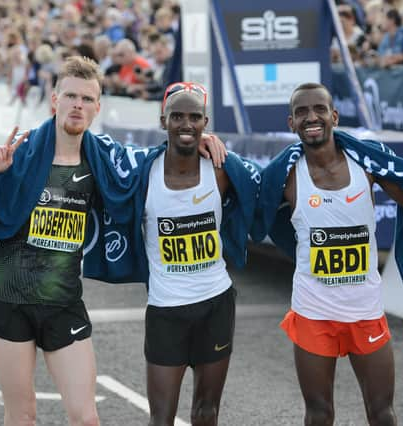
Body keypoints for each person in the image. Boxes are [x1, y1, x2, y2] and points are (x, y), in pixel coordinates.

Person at [0, 57, 226, 426]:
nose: (78, 105)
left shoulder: (102, 158)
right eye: (71, 96)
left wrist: (196, 139)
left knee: (86, 418)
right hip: (8, 299)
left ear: (97, 108)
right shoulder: (21, 153)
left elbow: (149, 161)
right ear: (54, 100)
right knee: (22, 415)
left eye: (87, 99)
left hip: (63, 302)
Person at [252, 83, 403, 425]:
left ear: (334, 116)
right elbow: (248, 201)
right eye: (302, 112)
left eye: (319, 110)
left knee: (382, 414)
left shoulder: (367, 164)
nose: (311, 117)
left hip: (365, 311)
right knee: (318, 415)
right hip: (313, 312)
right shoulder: (286, 177)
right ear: (291, 123)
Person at [139, 82, 259, 426]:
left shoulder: (220, 170)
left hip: (215, 304)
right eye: (177, 117)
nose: (186, 124)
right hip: (165, 310)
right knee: (161, 418)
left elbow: (264, 186)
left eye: (194, 117)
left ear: (206, 122)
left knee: (207, 413)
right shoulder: (144, 174)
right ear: (164, 122)